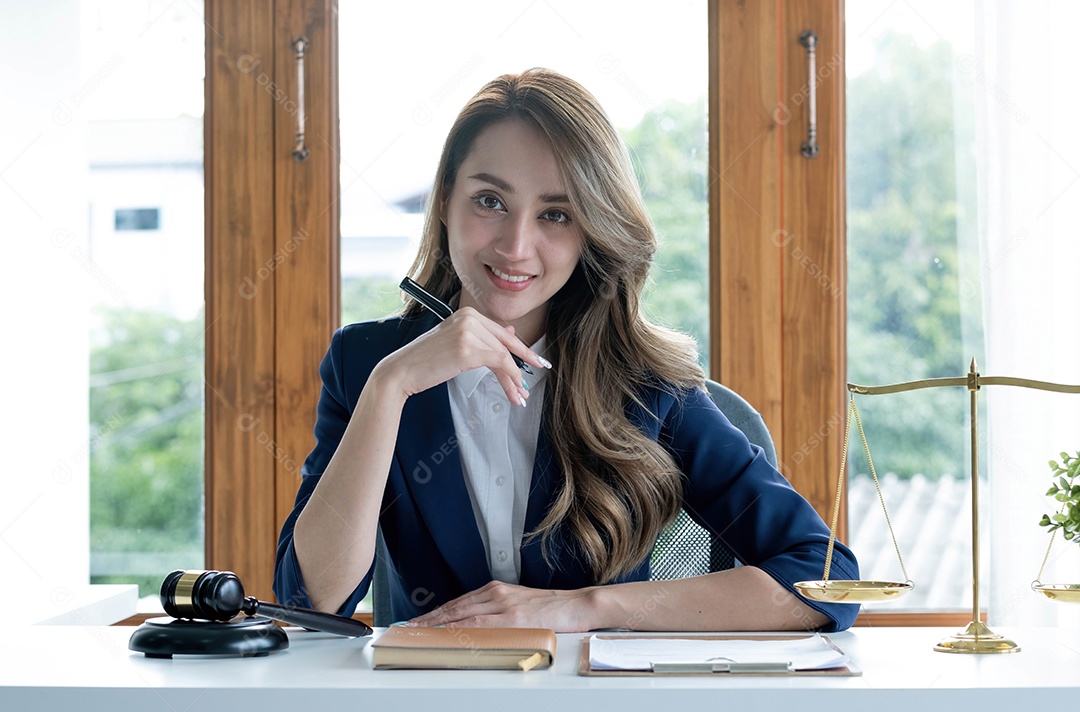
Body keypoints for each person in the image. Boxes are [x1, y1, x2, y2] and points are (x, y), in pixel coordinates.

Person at [274, 68, 860, 633]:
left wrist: (585, 607)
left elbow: (822, 577)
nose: (515, 245)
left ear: (591, 230)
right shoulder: (367, 364)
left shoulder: (646, 384)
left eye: (556, 214)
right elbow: (311, 597)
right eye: (490, 201)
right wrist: (390, 388)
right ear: (447, 200)